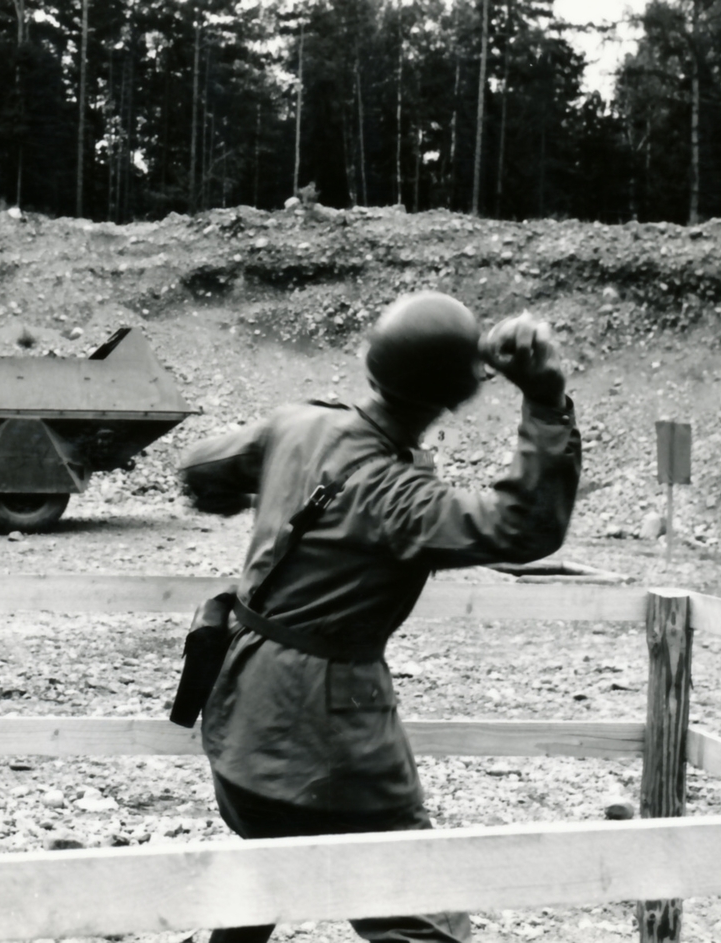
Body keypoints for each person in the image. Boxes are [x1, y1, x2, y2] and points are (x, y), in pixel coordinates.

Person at [178, 291, 581, 943]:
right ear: (455, 398)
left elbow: (200, 466)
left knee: (263, 875)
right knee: (421, 918)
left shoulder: (299, 424)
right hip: (327, 746)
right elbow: (524, 526)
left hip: (239, 719)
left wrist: (258, 489)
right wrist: (545, 399)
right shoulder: (398, 498)